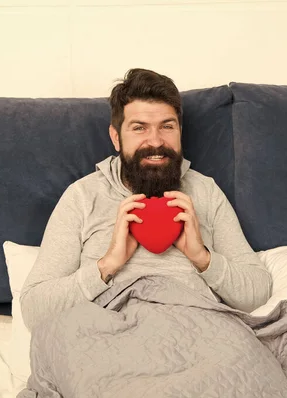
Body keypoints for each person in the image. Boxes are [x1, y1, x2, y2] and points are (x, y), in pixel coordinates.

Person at [20, 68, 272, 331]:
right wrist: (108, 265)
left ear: (180, 132)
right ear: (116, 138)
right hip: (109, 336)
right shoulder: (82, 196)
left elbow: (258, 292)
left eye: (167, 127)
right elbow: (35, 310)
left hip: (196, 331)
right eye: (139, 128)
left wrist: (202, 257)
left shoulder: (205, 191)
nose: (155, 141)